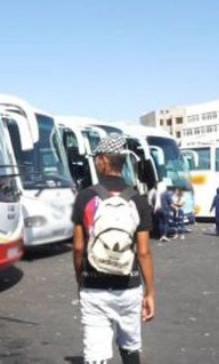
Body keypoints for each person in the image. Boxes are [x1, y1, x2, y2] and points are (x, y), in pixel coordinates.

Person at [71, 134, 155, 364]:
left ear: (103, 161)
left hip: (94, 286)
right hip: (129, 286)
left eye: (97, 158)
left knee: (96, 354)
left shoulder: (85, 197)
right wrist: (150, 292)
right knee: (130, 347)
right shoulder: (137, 200)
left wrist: (80, 279)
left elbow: (78, 248)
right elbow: (144, 252)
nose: (96, 162)